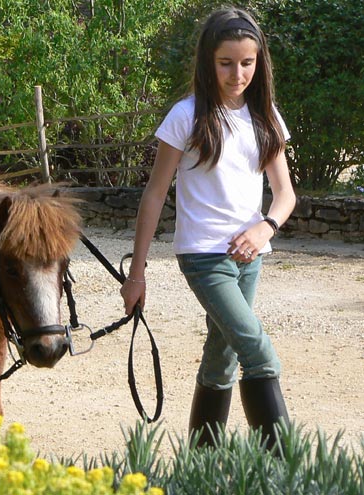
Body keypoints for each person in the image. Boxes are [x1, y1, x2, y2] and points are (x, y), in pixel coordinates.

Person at [120, 7, 296, 451]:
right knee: (258, 351)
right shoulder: (186, 116)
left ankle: (201, 465)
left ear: (260, 63)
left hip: (250, 256)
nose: (237, 74)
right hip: (202, 256)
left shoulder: (266, 116)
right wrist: (136, 274)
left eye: (247, 63)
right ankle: (287, 466)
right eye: (226, 63)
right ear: (207, 61)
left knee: (223, 356)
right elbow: (154, 195)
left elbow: (285, 194)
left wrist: (265, 229)